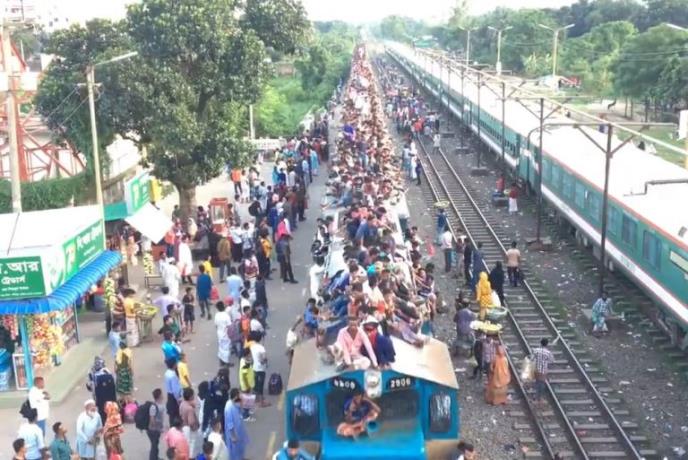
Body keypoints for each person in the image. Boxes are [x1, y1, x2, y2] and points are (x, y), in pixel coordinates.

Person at [224, 388, 249, 460]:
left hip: (239, 430)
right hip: (233, 433)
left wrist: (241, 404)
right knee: (234, 451)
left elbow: (241, 412)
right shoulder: (229, 407)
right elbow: (230, 424)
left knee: (240, 447)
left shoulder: (235, 403)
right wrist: (233, 436)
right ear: (236, 396)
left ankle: (241, 458)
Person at [248, 331, 271, 408]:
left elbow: (251, 358)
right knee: (260, 385)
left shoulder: (252, 346)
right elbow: (264, 358)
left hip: (254, 367)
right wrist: (265, 360)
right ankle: (261, 403)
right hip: (261, 369)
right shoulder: (261, 348)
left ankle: (255, 399)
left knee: (256, 383)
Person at [180, 388, 202, 458]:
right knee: (192, 450)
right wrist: (196, 429)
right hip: (190, 430)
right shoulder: (190, 409)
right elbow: (191, 422)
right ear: (190, 397)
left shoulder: (182, 404)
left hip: (183, 427)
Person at [532, 338, 554, 403]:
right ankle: (539, 398)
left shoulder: (536, 350)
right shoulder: (548, 352)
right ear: (547, 344)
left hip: (536, 369)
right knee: (541, 384)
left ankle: (536, 396)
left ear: (540, 343)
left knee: (537, 382)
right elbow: (552, 360)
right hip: (543, 370)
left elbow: (532, 358)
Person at [148, 388, 167, 460]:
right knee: (154, 446)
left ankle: (156, 457)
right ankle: (153, 458)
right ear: (159, 396)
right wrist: (158, 428)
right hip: (153, 430)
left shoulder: (159, 405)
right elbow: (152, 419)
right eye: (162, 394)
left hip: (155, 429)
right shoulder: (154, 406)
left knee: (155, 445)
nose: (163, 395)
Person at [214, 301, 233, 368]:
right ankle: (226, 362)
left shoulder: (216, 315)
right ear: (223, 307)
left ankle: (221, 361)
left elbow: (216, 325)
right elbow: (229, 326)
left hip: (219, 333)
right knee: (226, 348)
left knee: (221, 346)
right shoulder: (226, 315)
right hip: (226, 334)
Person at [165, 359, 183, 425]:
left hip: (169, 394)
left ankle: (172, 425)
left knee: (171, 413)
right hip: (173, 396)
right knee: (176, 413)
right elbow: (175, 390)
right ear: (174, 365)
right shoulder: (173, 376)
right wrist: (178, 399)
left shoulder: (167, 372)